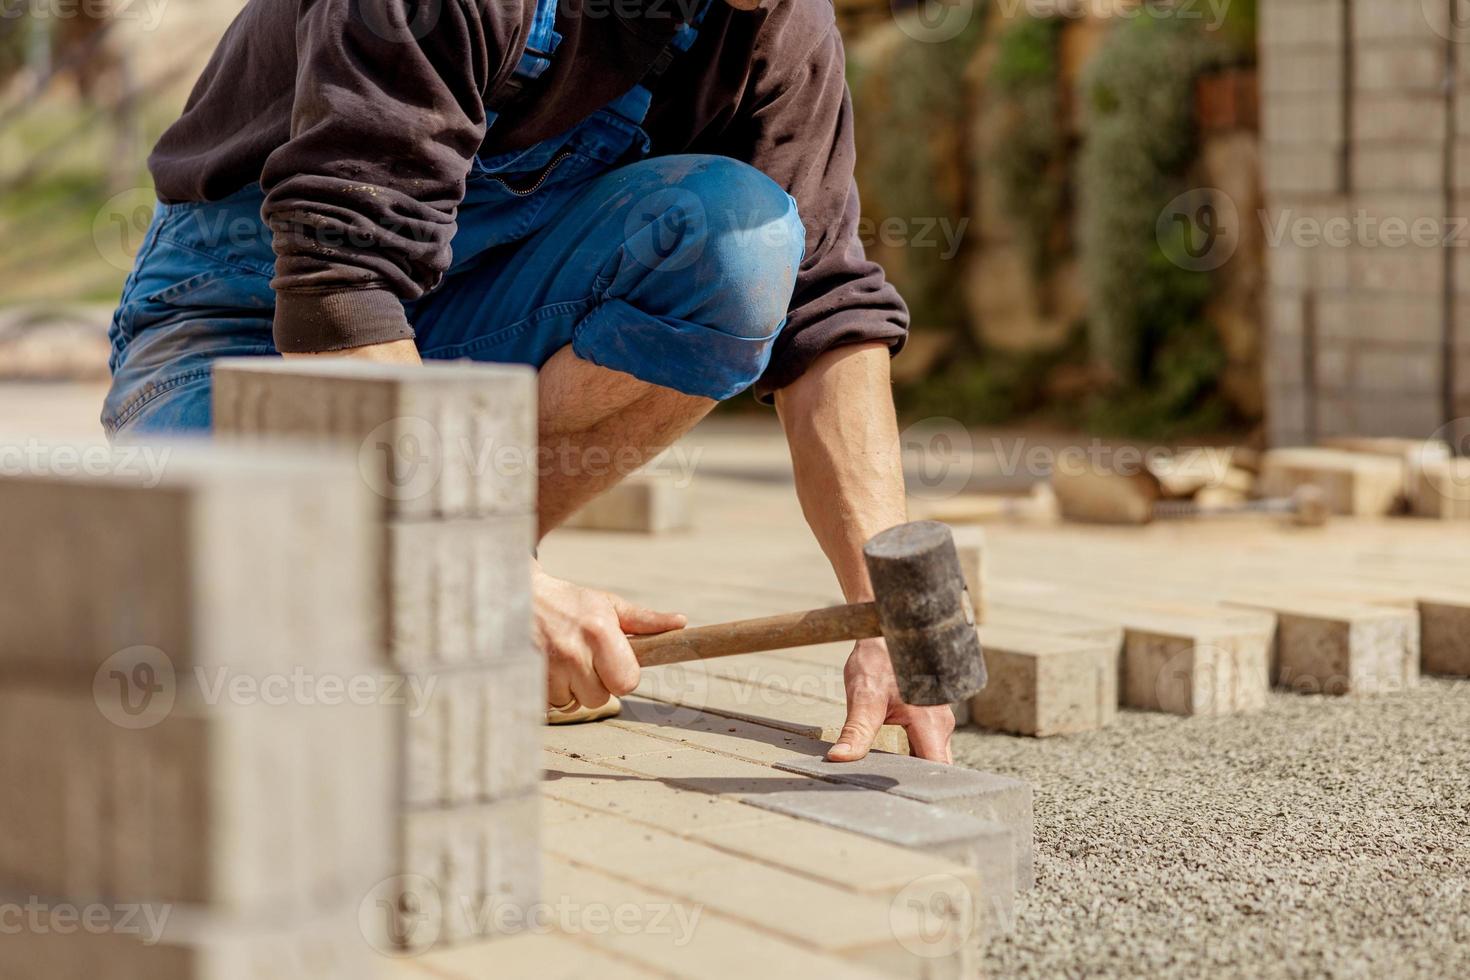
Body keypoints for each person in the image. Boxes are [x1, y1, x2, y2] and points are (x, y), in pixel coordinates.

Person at [103, 0, 955, 763]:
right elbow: (341, 292)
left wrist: (885, 606)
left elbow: (824, 311)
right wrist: (482, 577)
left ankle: (438, 587)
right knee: (227, 651)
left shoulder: (777, 26)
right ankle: (440, 582)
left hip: (448, 335)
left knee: (741, 242)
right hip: (240, 340)